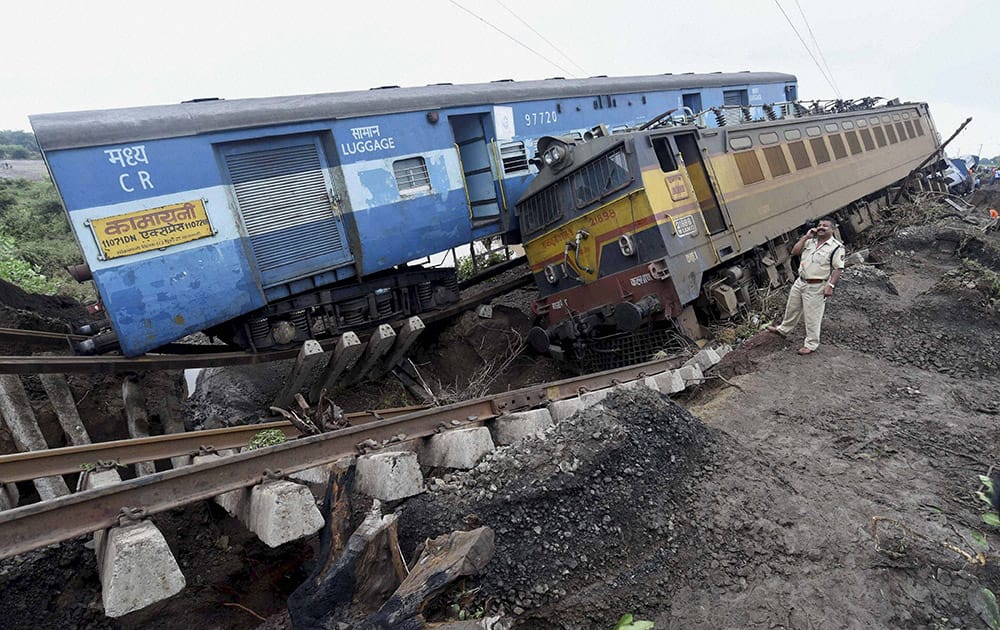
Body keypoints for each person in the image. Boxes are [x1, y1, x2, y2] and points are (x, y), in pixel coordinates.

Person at [767, 216, 845, 355]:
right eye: (819, 225)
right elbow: (794, 252)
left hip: (817, 285)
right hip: (800, 281)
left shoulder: (836, 247)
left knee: (812, 316)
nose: (821, 227)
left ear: (833, 229)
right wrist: (805, 237)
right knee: (792, 308)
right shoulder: (810, 242)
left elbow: (838, 268)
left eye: (825, 226)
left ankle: (811, 343)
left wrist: (830, 286)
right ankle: (784, 329)